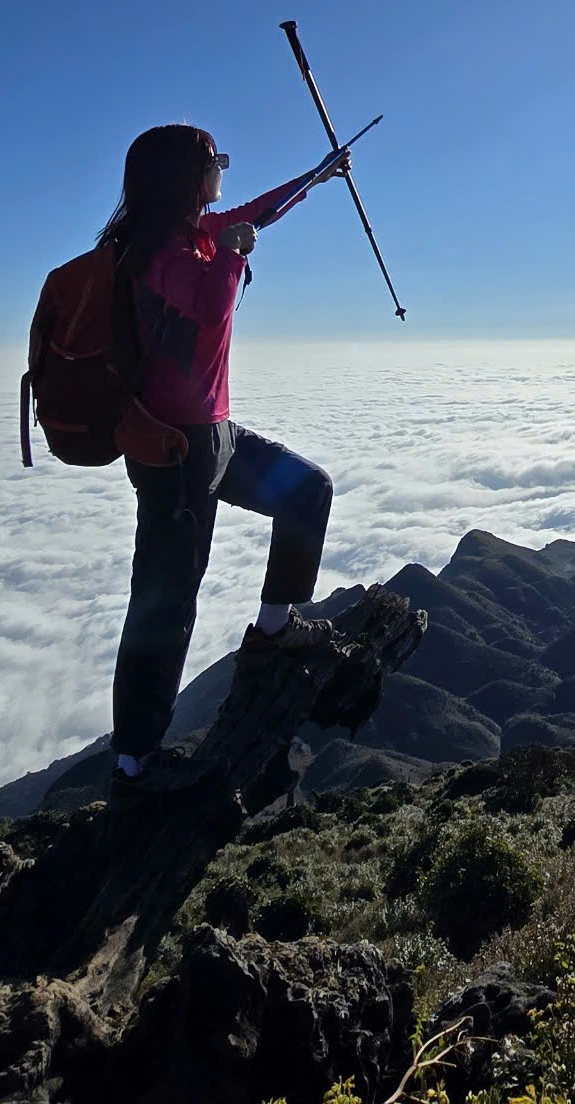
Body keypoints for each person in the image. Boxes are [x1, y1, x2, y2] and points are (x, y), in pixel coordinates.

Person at [97, 122, 352, 788]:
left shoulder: (193, 236)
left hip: (212, 435)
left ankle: (272, 628)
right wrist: (236, 255)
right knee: (166, 598)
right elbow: (210, 305)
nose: (223, 174)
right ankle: (134, 761)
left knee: (307, 491)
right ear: (185, 176)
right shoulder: (152, 253)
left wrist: (315, 178)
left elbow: (252, 214)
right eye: (216, 163)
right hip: (174, 449)